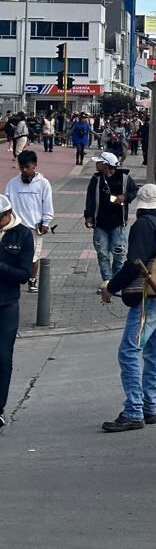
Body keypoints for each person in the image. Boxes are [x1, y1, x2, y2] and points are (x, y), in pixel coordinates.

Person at [99, 183, 156, 432]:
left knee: (129, 350)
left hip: (149, 295)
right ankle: (149, 406)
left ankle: (134, 410)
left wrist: (111, 286)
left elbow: (134, 264)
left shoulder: (145, 225)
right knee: (155, 351)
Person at [0, 196, 32, 428]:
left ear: (8, 214)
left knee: (3, 357)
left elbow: (24, 275)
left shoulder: (22, 234)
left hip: (7, 303)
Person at [85, 151, 138, 285]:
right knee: (102, 254)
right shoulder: (96, 179)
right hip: (100, 223)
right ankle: (108, 281)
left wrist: (125, 197)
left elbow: (134, 191)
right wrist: (88, 216)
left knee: (119, 253)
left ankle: (117, 280)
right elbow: (90, 198)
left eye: (99, 162)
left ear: (106, 164)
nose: (96, 164)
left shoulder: (124, 177)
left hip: (118, 223)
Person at [6, 150, 53, 294]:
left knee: (34, 256)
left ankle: (32, 280)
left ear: (35, 165)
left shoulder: (43, 184)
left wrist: (46, 222)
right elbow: (7, 203)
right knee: (12, 254)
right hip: (15, 227)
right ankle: (13, 280)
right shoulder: (13, 183)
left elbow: (48, 204)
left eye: (27, 167)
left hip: (35, 227)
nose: (24, 170)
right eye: (21, 167)